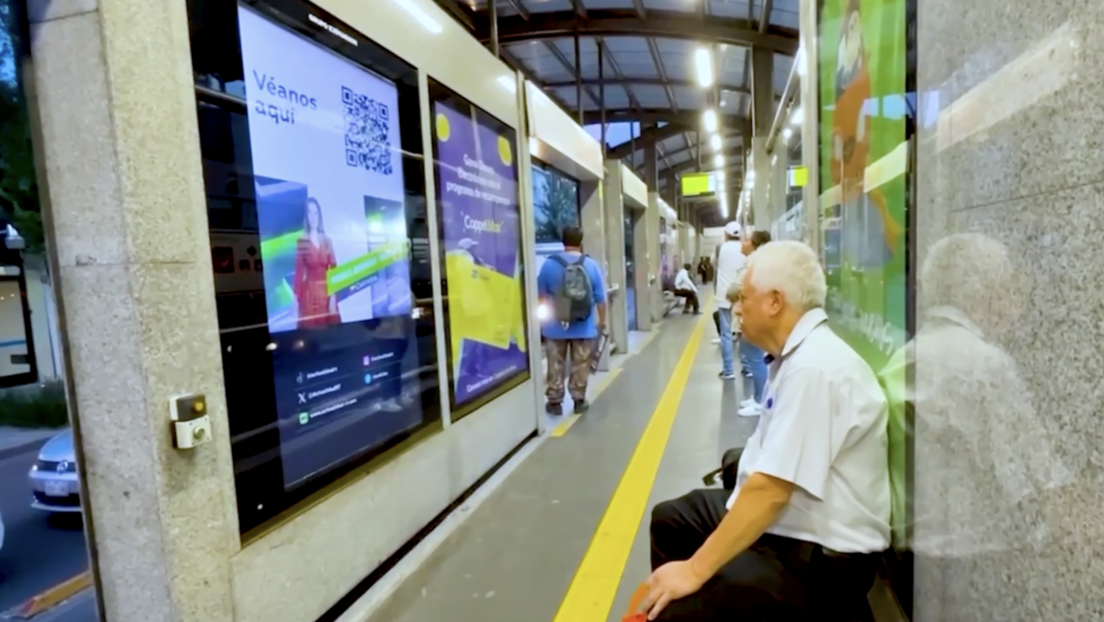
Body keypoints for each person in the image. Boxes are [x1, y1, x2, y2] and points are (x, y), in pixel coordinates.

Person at [640, 241, 890, 621]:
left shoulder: (813, 369)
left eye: (744, 297)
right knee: (671, 520)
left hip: (820, 560)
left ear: (775, 302)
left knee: (677, 609)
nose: (737, 308)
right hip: (794, 524)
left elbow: (771, 491)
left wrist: (694, 572)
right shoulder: (796, 356)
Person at [537, 226, 607, 416]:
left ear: (563, 241)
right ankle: (578, 400)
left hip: (555, 326)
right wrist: (603, 321)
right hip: (584, 325)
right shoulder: (591, 265)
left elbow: (540, 297)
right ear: (581, 241)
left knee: (555, 363)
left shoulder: (549, 265)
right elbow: (600, 298)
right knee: (581, 363)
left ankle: (554, 402)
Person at [727, 230, 772, 417]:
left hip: (749, 316)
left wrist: (732, 292)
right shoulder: (755, 263)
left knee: (755, 359)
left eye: (746, 240)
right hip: (745, 315)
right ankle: (757, 396)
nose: (742, 242)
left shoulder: (753, 266)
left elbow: (736, 290)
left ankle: (760, 401)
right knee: (753, 357)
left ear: (754, 245)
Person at [294, 197, 339, 329]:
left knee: (330, 332)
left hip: (327, 292)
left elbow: (334, 270)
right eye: (309, 212)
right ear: (306, 216)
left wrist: (333, 297)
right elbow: (299, 273)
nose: (313, 217)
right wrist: (295, 300)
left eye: (315, 213)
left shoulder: (327, 241)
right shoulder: (302, 241)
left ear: (319, 216)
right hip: (309, 295)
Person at [712, 221, 746, 379]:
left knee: (726, 334)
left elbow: (713, 263)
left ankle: (728, 370)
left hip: (724, 296)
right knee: (743, 331)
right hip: (740, 295)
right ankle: (747, 367)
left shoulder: (720, 248)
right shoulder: (745, 248)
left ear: (726, 234)